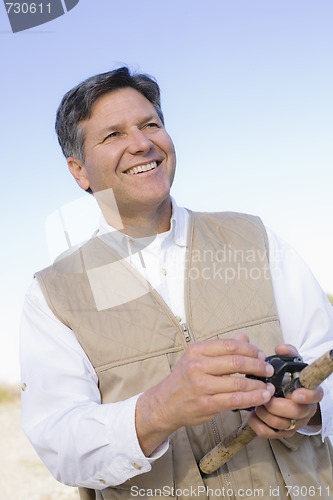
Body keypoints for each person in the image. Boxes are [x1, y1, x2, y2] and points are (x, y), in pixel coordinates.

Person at [20, 66, 333, 500]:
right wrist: (157, 410)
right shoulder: (53, 293)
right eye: (113, 135)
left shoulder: (254, 237)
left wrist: (311, 405)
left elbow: (325, 361)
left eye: (151, 124)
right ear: (79, 172)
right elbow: (60, 445)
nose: (142, 143)